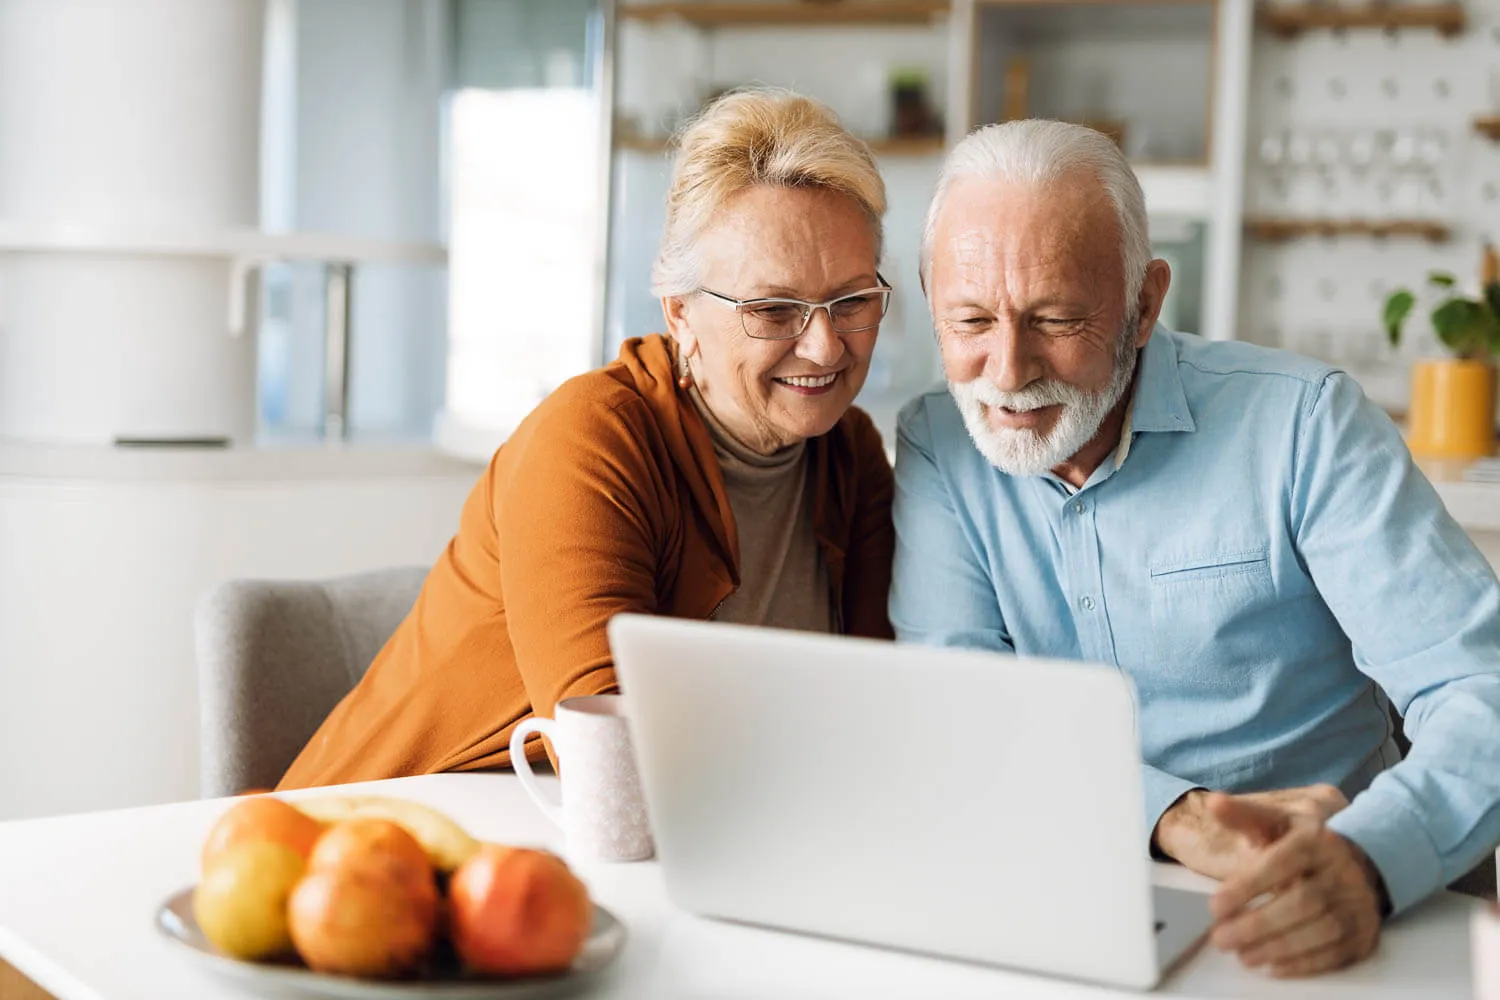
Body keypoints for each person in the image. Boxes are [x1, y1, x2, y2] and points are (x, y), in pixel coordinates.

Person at [891, 119, 1500, 978]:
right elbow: (961, 710)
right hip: (1068, 910)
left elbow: (1482, 685)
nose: (1007, 367)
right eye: (969, 319)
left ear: (1144, 304)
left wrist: (1369, 859)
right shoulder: (935, 446)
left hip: (1332, 912)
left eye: (1056, 317)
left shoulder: (1303, 423)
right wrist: (1175, 816)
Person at [280, 88, 896, 788]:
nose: (823, 347)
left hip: (665, 848)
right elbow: (612, 767)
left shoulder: (853, 454)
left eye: (851, 302)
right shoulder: (592, 439)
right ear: (681, 315)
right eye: (774, 309)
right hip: (393, 842)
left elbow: (881, 711)